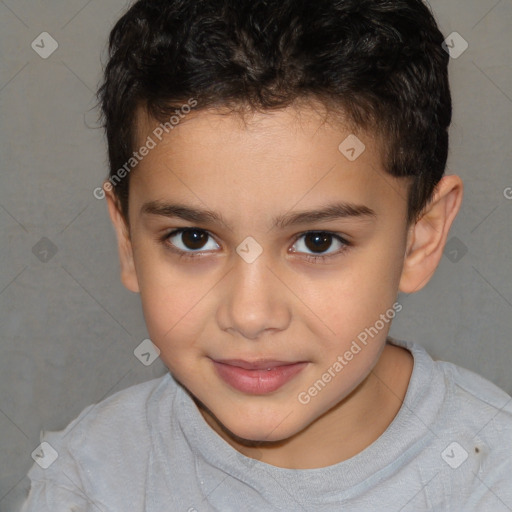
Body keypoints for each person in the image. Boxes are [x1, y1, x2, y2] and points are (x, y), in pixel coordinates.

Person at [21, 0, 512, 510]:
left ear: (420, 239)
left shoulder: (494, 477)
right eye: (193, 239)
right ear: (127, 240)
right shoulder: (87, 478)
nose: (251, 316)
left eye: (318, 241)